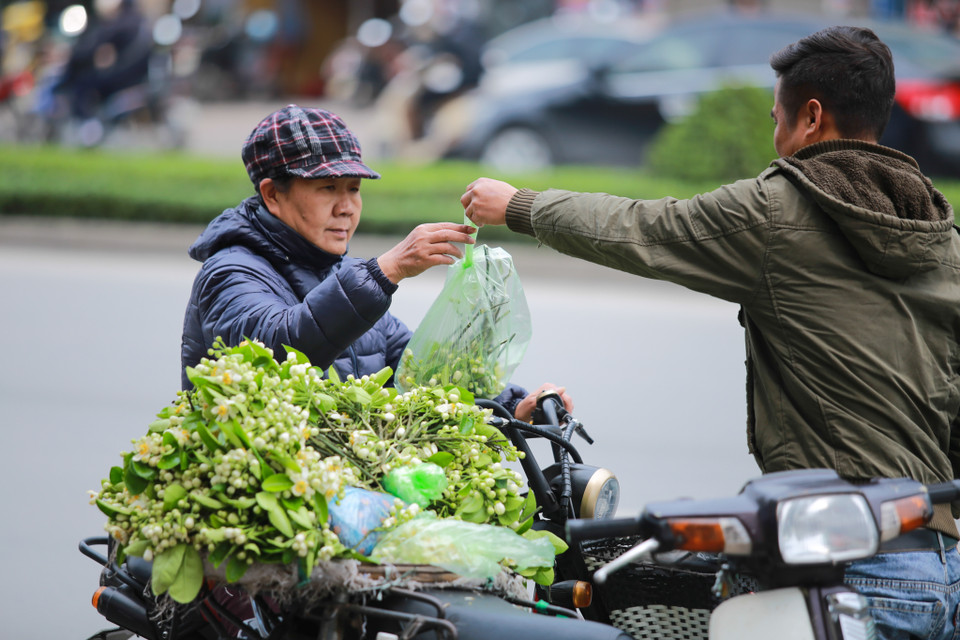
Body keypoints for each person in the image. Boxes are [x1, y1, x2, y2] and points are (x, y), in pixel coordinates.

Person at [461, 26, 960, 640]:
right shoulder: (940, 235)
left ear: (811, 117)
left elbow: (646, 229)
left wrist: (519, 205)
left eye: (777, 118)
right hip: (936, 569)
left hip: (840, 571)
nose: (775, 137)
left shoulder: (781, 210)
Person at [181, 103, 569, 424]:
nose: (346, 207)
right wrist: (386, 271)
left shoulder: (334, 270)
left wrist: (512, 407)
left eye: (354, 189)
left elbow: (420, 372)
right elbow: (276, 351)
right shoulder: (231, 271)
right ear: (272, 195)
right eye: (327, 188)